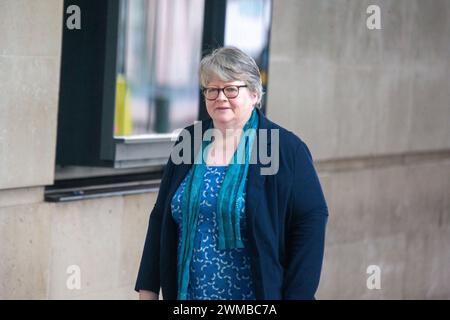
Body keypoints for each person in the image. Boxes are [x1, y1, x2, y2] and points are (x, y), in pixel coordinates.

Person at [135, 46, 328, 300]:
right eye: (212, 90)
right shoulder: (190, 141)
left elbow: (310, 222)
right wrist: (148, 291)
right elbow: (160, 218)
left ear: (255, 94)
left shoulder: (283, 149)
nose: (220, 97)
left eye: (231, 89)